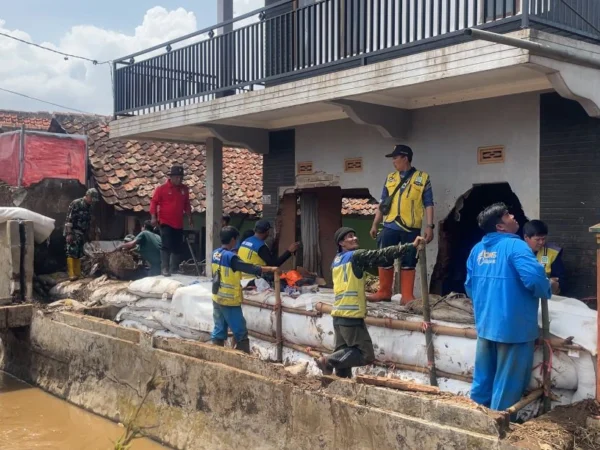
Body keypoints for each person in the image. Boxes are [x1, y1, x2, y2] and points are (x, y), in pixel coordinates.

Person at [465, 203, 551, 411]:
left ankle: (476, 418)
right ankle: (500, 427)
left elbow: (469, 287)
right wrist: (548, 287)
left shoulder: (477, 250)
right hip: (514, 328)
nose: (513, 216)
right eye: (507, 215)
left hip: (486, 325)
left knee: (483, 379)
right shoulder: (517, 246)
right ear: (500, 227)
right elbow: (535, 279)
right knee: (508, 384)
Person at [315, 227, 425, 378]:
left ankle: (340, 386)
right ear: (341, 243)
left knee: (345, 356)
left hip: (338, 315)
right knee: (365, 354)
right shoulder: (356, 256)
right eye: (349, 237)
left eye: (354, 235)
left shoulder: (336, 261)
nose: (354, 238)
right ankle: (327, 361)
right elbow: (381, 254)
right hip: (351, 315)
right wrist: (409, 246)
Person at [368, 145, 434, 304]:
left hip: (410, 227)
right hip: (390, 225)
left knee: (409, 260)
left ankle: (406, 296)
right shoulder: (390, 178)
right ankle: (383, 291)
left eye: (395, 158)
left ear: (405, 157)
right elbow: (383, 203)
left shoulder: (422, 178)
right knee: (384, 257)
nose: (393, 161)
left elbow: (429, 203)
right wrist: (375, 223)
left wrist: (429, 226)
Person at [211, 226, 274, 353]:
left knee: (219, 330)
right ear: (233, 240)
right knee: (240, 331)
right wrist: (261, 269)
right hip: (229, 300)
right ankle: (242, 357)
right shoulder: (230, 257)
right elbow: (246, 267)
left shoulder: (216, 253)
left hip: (217, 296)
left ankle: (215, 353)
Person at [150, 165, 193, 277]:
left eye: (181, 177)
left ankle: (175, 268)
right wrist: (153, 217)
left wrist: (189, 217)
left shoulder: (184, 189)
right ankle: (165, 268)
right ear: (172, 177)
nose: (179, 180)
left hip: (178, 222)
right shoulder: (162, 189)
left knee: (177, 245)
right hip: (165, 221)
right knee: (166, 244)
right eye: (177, 177)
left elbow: (186, 204)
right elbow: (154, 202)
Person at [64, 188, 100, 281]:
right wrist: (69, 233)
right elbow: (69, 219)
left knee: (79, 253)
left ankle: (78, 273)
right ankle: (72, 274)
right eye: (92, 199)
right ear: (87, 196)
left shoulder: (89, 207)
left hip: (82, 233)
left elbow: (90, 220)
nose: (92, 201)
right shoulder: (76, 203)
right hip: (74, 231)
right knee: (72, 251)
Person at [523, 220, 565, 295]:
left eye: (543, 239)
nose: (541, 242)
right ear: (526, 237)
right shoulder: (517, 252)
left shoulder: (552, 253)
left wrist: (554, 284)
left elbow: (560, 279)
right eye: (537, 239)